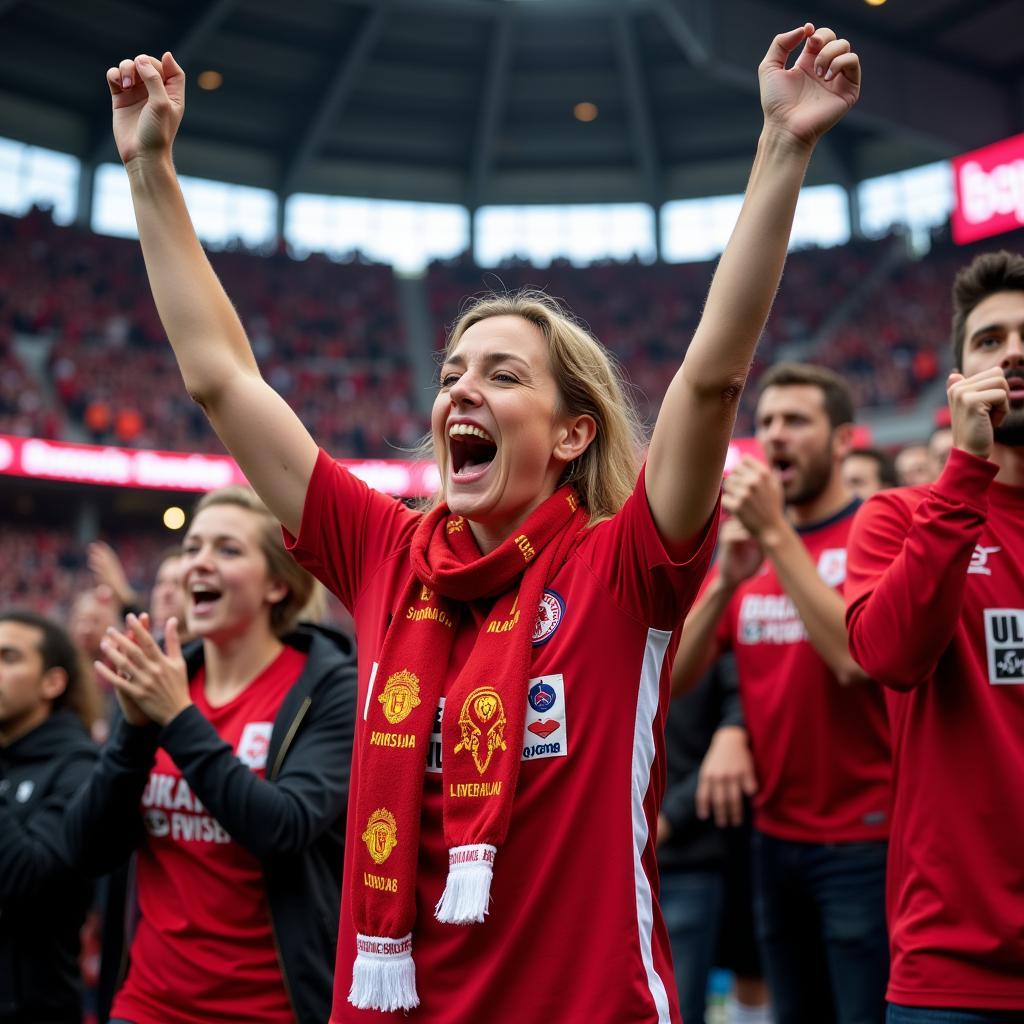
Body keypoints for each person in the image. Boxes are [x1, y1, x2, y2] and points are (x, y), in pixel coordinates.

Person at [103, 24, 861, 1022]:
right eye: (452, 371)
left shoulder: (623, 564)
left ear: (572, 433)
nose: (461, 389)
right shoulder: (383, 552)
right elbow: (221, 379)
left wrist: (782, 146)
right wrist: (150, 168)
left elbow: (713, 377)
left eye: (502, 376)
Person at [64, 486, 358, 1024]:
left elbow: (283, 827)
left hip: (270, 1009)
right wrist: (134, 732)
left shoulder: (330, 689)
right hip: (146, 1005)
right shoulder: (170, 680)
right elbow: (86, 849)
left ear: (276, 584)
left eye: (227, 549)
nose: (199, 561)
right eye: (194, 546)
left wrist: (177, 719)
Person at [672, 362, 891, 1024]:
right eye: (766, 422)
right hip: (772, 840)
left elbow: (856, 660)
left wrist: (775, 535)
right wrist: (725, 581)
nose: (776, 436)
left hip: (866, 843)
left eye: (796, 421)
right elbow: (676, 679)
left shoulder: (873, 533)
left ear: (842, 440)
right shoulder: (752, 552)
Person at [845, 250, 1024, 1021]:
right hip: (953, 966)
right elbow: (891, 657)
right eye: (989, 340)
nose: (1013, 351)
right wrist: (964, 477)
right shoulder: (897, 517)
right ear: (955, 383)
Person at [657, 654, 769, 1024]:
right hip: (622, 858)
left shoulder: (711, 634)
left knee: (680, 1007)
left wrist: (670, 817)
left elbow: (742, 721)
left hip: (688, 855)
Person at [0, 610, 100, 1024]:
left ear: (52, 683)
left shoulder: (79, 768)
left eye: (8, 658)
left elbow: (28, 877)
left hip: (33, 1008)